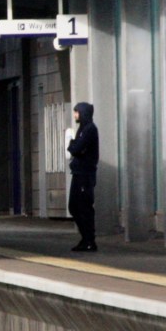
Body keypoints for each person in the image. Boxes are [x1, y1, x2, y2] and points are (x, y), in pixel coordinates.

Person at [67, 102, 99, 252]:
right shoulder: (83, 129)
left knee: (83, 206)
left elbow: (76, 148)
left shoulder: (89, 129)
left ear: (83, 113)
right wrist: (74, 145)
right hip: (79, 173)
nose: (75, 115)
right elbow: (76, 148)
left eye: (77, 112)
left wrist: (73, 144)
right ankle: (86, 238)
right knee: (74, 206)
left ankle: (89, 240)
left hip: (85, 174)